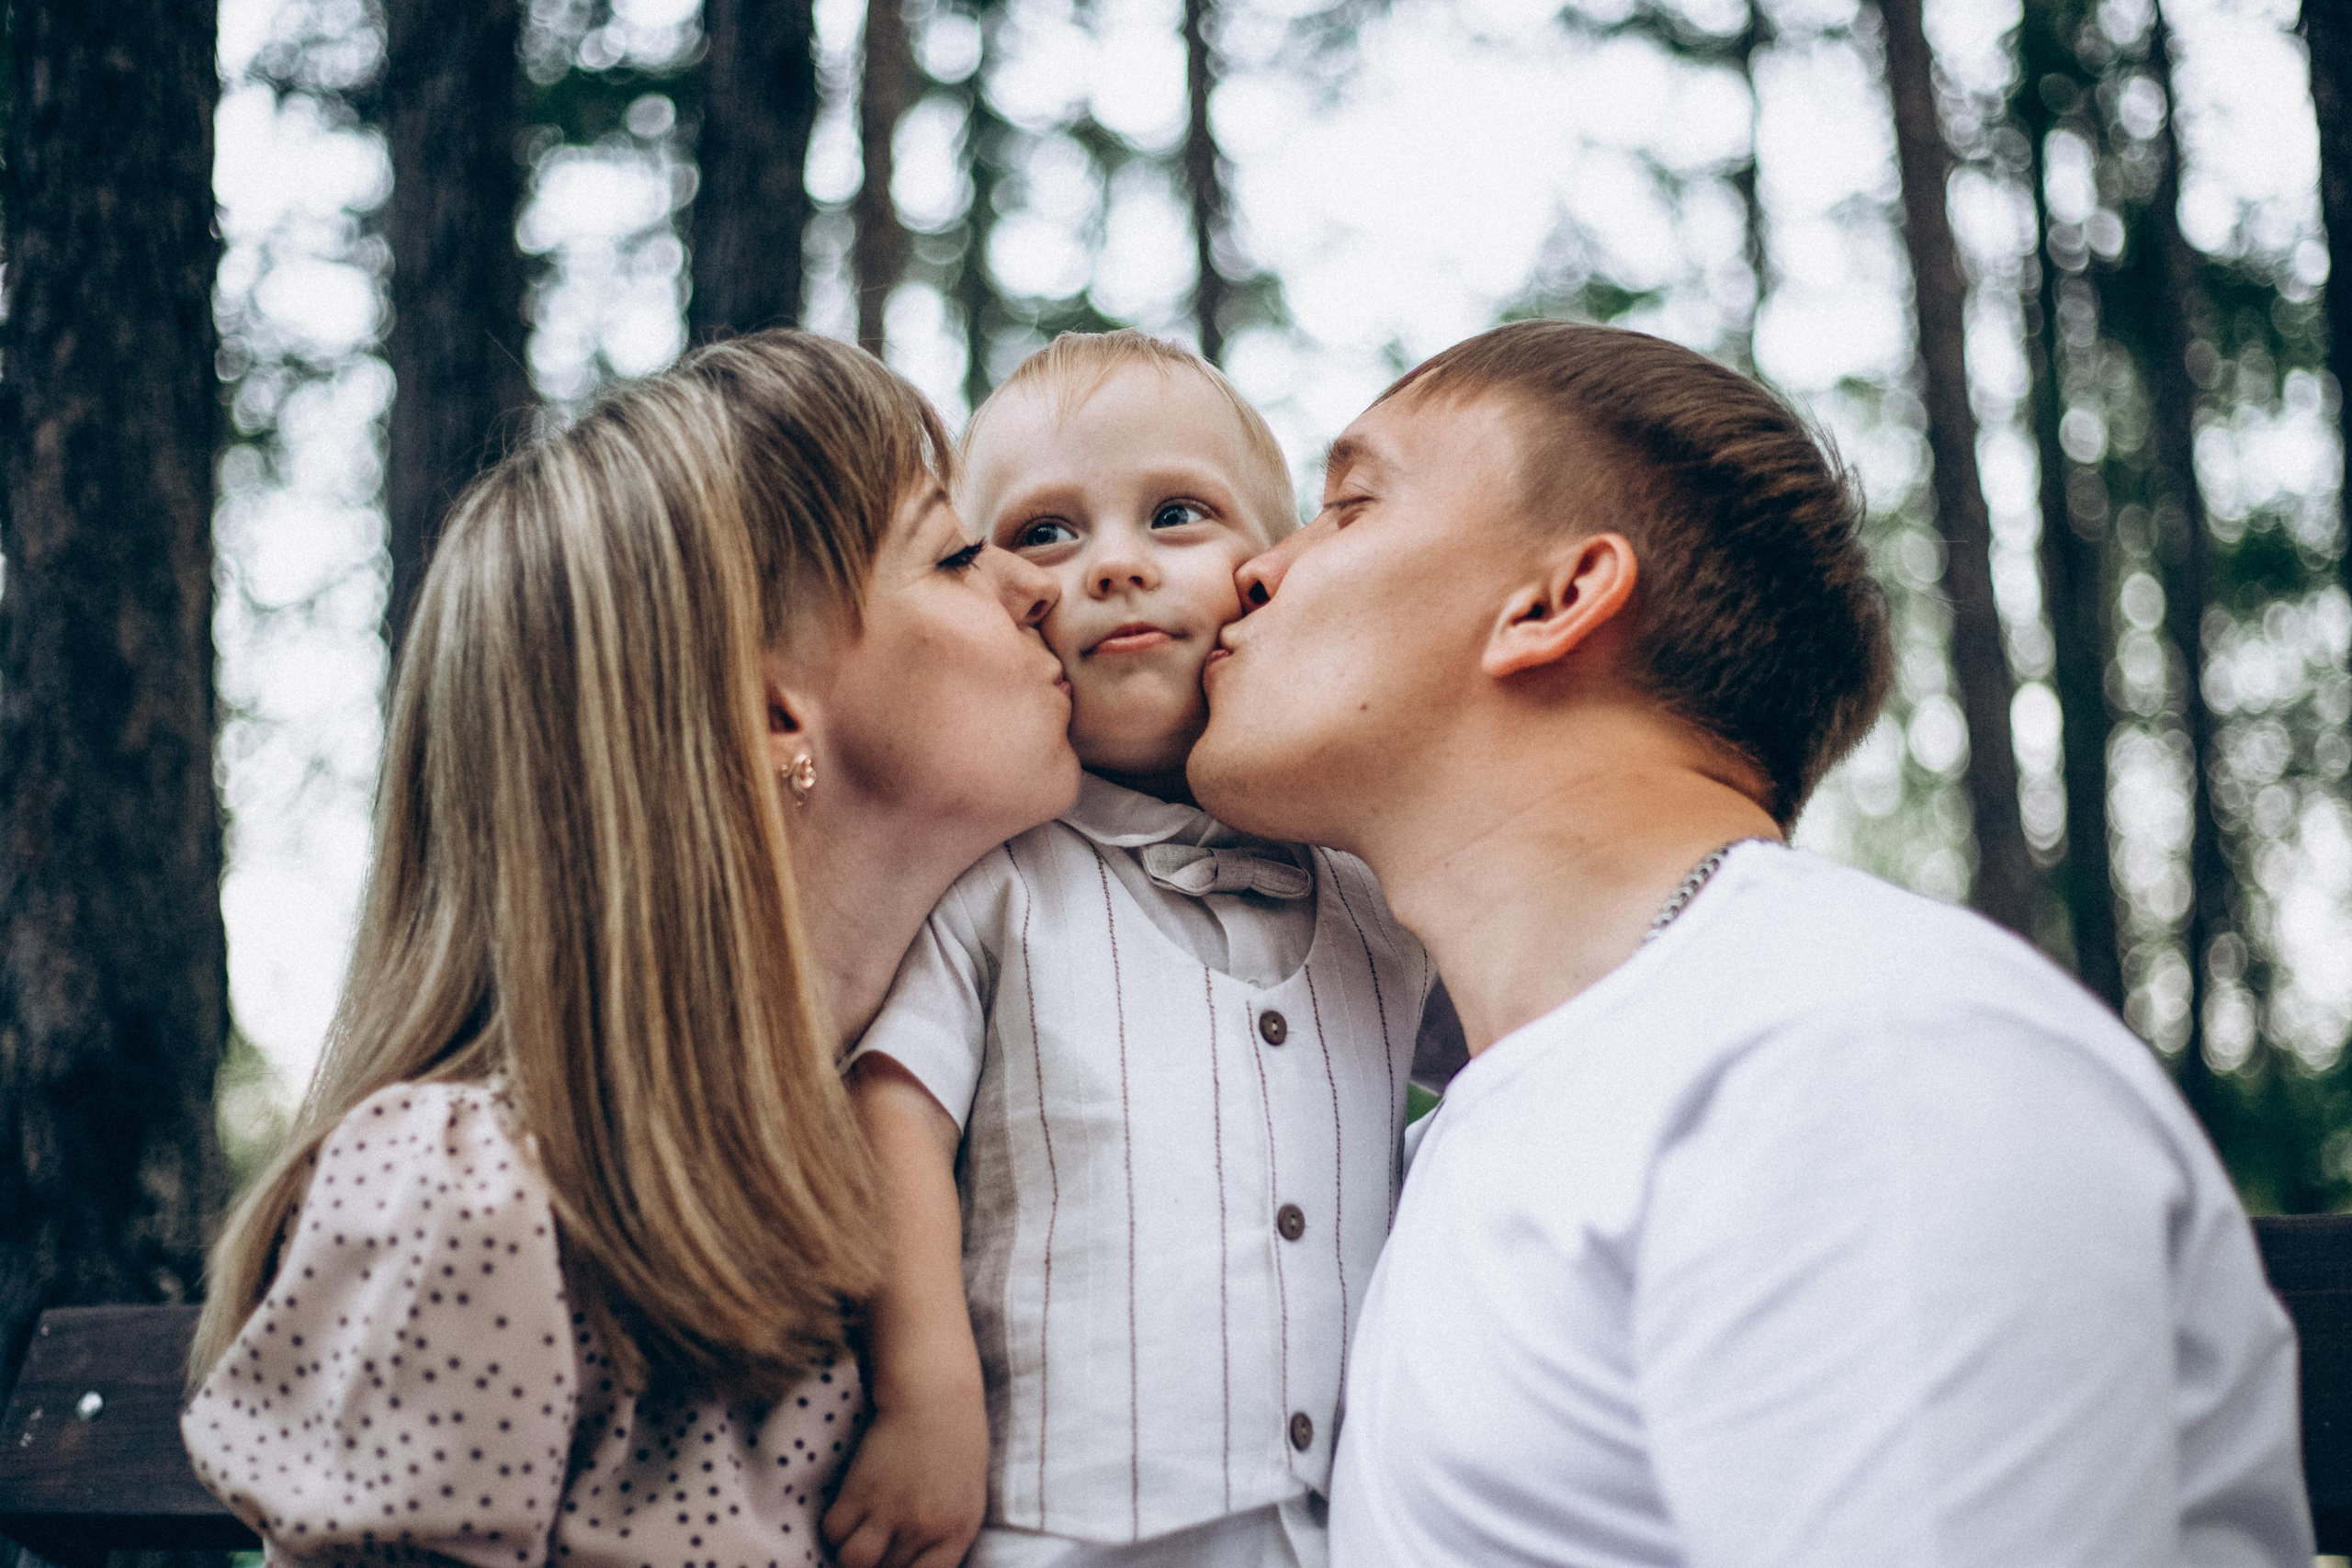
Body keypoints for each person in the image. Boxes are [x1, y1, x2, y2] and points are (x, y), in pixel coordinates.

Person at [1188, 319, 2312, 1566]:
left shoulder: (1857, 1056)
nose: (1252, 571)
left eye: (1347, 505)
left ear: (1555, 600)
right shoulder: (1468, 1128)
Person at [180, 331, 1080, 1568]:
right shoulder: (474, 1195)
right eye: (956, 553)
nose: (1037, 587)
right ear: (772, 712)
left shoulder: (926, 1159)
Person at [830, 332, 1442, 1568]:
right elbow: (895, 1114)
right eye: (1045, 534)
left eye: (1176, 515)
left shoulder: (1377, 889)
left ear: (1268, 575)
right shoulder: (993, 880)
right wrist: (926, 1392)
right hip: (1059, 1522)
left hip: (1355, 1526)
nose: (1114, 564)